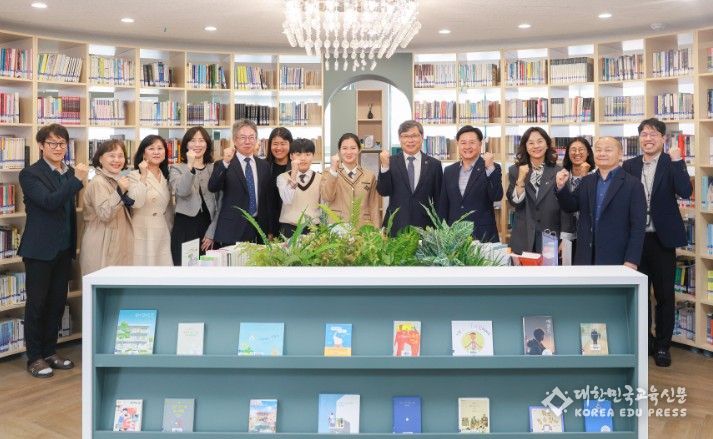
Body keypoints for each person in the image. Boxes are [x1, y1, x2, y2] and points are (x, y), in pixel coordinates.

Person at [18, 124, 88, 378]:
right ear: (41, 145)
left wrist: (74, 178)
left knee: (57, 303)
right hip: (39, 250)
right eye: (52, 143)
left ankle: (49, 351)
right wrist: (77, 180)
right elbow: (49, 202)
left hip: (63, 249)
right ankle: (34, 357)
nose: (58, 148)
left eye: (62, 143)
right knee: (37, 305)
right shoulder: (30, 174)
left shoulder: (67, 172)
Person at [622, 117, 692, 367]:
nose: (648, 138)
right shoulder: (629, 165)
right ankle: (646, 342)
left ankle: (663, 346)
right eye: (644, 134)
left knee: (664, 295)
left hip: (662, 240)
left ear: (663, 138)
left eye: (653, 134)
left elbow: (685, 191)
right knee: (640, 295)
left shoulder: (670, 162)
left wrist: (678, 161)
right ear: (639, 139)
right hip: (636, 240)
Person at [555, 136, 646, 266]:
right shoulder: (587, 181)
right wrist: (561, 187)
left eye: (608, 150)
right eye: (598, 150)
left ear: (620, 154)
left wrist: (631, 260)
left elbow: (638, 227)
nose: (602, 153)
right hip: (585, 256)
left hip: (617, 257)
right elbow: (570, 206)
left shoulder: (633, 184)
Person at [80, 139, 144, 275]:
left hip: (116, 243)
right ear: (100, 159)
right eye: (111, 156)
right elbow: (105, 214)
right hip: (102, 244)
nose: (116, 160)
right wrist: (120, 191)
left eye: (120, 156)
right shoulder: (99, 182)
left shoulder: (117, 179)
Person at [506, 127, 573, 254]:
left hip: (550, 236)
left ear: (547, 144)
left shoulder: (559, 171)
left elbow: (566, 208)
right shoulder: (515, 170)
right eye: (531, 143)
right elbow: (515, 203)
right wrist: (520, 179)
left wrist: (565, 239)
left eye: (540, 141)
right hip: (523, 237)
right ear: (525, 146)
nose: (536, 146)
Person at [209, 119, 271, 245]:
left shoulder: (264, 165)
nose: (247, 141)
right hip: (232, 228)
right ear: (235, 140)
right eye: (243, 137)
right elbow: (213, 187)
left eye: (251, 137)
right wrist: (225, 162)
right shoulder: (224, 164)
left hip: (258, 227)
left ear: (256, 139)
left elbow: (267, 199)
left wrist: (269, 229)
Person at [377, 120, 442, 236]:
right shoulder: (390, 162)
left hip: (426, 228)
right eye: (405, 136)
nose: (410, 140)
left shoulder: (434, 165)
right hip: (396, 226)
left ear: (422, 137)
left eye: (414, 136)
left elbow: (439, 199)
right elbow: (383, 191)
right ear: (400, 139)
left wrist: (439, 228)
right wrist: (385, 166)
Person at [438, 125, 503, 242]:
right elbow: (444, 204)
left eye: (472, 142)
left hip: (482, 234)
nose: (467, 146)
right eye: (463, 143)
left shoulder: (492, 167)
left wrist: (489, 168)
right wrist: (442, 234)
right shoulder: (449, 170)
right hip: (454, 235)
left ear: (480, 144)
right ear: (457, 144)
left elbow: (496, 196)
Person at [169, 126, 220, 265]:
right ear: (186, 144)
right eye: (192, 140)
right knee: (185, 270)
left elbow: (221, 203)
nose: (197, 144)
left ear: (207, 144)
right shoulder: (176, 168)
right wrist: (190, 165)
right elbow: (182, 191)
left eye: (201, 140)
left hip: (209, 228)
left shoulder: (214, 168)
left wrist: (212, 232)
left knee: (208, 270)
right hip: (185, 229)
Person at [321, 132, 381, 228]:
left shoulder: (369, 176)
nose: (349, 152)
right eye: (344, 148)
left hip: (363, 227)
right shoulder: (329, 172)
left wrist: (377, 230)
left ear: (359, 150)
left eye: (353, 148)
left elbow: (373, 206)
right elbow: (327, 197)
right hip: (338, 226)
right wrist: (333, 171)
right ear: (339, 151)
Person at [131, 135, 173, 266]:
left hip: (162, 229)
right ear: (144, 153)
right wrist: (143, 175)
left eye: (160, 148)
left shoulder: (166, 176)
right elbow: (136, 202)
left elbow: (169, 208)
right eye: (151, 148)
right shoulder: (134, 175)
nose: (156, 152)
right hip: (142, 230)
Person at [276, 138, 322, 237]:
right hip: (289, 228)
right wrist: (293, 174)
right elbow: (287, 200)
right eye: (298, 154)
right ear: (291, 156)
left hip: (313, 229)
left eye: (308, 154)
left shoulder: (321, 178)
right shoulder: (282, 177)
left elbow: (324, 206)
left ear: (313, 156)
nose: (303, 158)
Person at [560, 137, 596, 256]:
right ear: (568, 153)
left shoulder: (596, 177)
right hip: (564, 235)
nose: (577, 153)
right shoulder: (561, 176)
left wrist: (584, 176)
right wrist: (564, 238)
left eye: (581, 149)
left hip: (589, 236)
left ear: (588, 152)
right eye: (573, 149)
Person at [265, 127, 293, 237]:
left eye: (283, 143)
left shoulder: (296, 169)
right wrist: (268, 230)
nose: (279, 148)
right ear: (270, 145)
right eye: (275, 144)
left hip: (291, 225)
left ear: (290, 144)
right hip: (268, 225)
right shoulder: (263, 167)